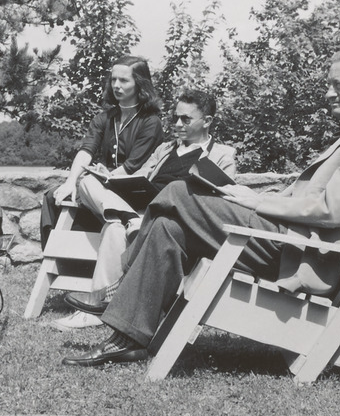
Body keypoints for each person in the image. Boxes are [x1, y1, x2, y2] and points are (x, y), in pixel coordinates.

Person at [62, 48, 340, 367]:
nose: (328, 93)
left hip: (298, 252)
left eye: (337, 85)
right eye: (328, 85)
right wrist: (244, 193)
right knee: (169, 229)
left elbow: (332, 211)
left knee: (179, 191)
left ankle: (118, 288)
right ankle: (128, 337)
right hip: (285, 239)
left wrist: (259, 201)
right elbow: (314, 198)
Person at [51, 88, 237, 331]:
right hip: (139, 211)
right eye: (175, 117)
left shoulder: (223, 155)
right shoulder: (165, 149)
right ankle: (129, 222)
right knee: (88, 183)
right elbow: (140, 176)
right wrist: (110, 177)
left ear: (207, 122)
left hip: (173, 221)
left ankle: (97, 303)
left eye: (186, 119)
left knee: (114, 228)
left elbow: (220, 203)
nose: (177, 124)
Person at [39, 55, 164, 249]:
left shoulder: (150, 122)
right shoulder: (104, 118)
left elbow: (132, 166)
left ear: (140, 84)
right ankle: (53, 257)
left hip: (132, 190)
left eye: (123, 80)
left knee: (87, 185)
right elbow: (86, 151)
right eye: (113, 79)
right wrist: (70, 182)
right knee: (54, 195)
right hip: (104, 186)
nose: (116, 85)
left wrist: (107, 176)